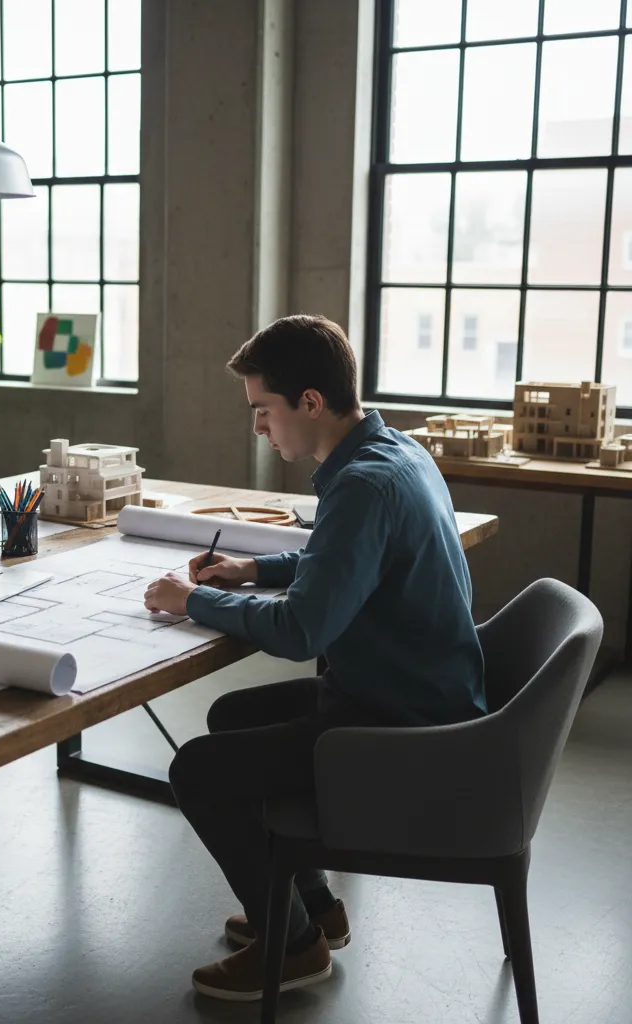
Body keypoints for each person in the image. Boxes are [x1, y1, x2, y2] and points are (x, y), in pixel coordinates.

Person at [143, 314, 487, 1003]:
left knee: (198, 771)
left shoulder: (360, 484)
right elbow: (342, 562)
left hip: (400, 727)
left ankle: (295, 947)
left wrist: (192, 602)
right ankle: (315, 908)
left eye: (262, 410)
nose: (258, 429)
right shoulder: (392, 453)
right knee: (231, 715)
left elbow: (303, 630)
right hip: (421, 694)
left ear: (310, 401)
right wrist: (253, 569)